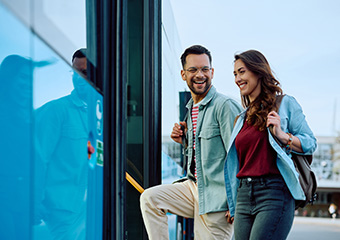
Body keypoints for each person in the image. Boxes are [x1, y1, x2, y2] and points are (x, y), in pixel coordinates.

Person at [140, 45, 242, 239]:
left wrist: (235, 201)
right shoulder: (191, 109)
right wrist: (184, 142)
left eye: (205, 69)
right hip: (194, 187)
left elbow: (240, 154)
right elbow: (206, 153)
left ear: (212, 72)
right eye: (193, 70)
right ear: (183, 74)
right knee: (150, 199)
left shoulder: (225, 106)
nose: (200, 75)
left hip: (217, 198)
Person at [224, 50, 317, 240]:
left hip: (274, 193)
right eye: (235, 74)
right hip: (243, 195)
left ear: (258, 71)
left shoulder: (284, 104)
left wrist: (283, 136)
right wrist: (231, 202)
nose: (237, 79)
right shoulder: (241, 119)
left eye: (242, 72)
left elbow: (310, 142)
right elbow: (239, 164)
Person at [34, 48, 90, 240]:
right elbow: (38, 158)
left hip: (93, 208)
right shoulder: (55, 111)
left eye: (85, 72)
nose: (79, 78)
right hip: (62, 212)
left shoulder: (101, 115)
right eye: (75, 72)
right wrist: (36, 200)